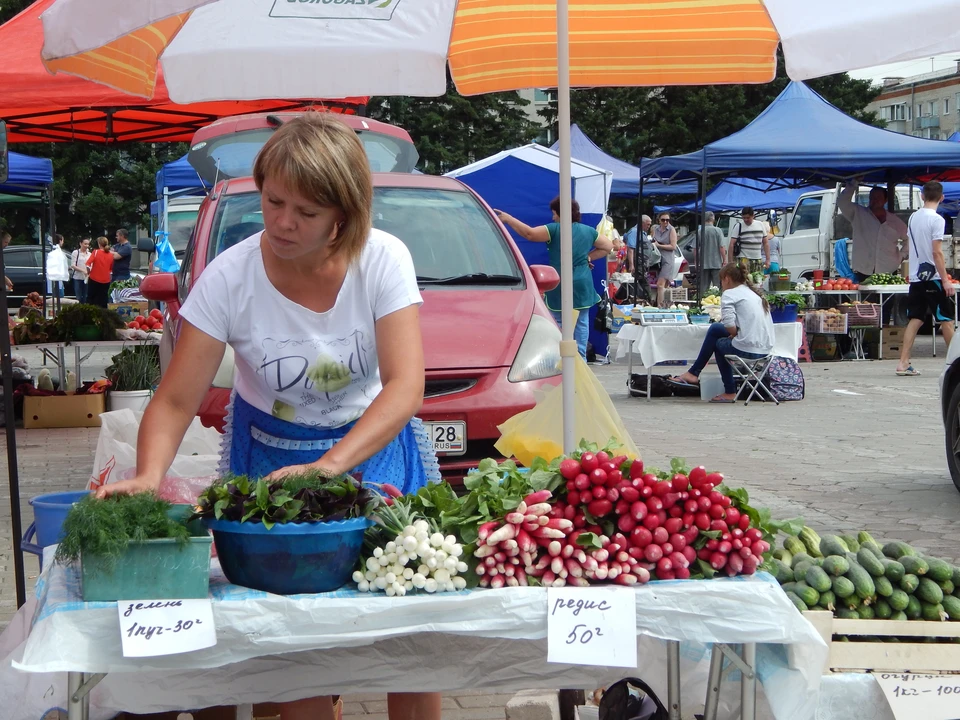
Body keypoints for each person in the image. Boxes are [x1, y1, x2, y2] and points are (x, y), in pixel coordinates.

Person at [95, 113, 440, 720]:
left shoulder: (383, 259)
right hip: (268, 461)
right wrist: (151, 473)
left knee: (407, 637)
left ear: (344, 214)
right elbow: (175, 399)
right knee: (293, 647)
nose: (282, 222)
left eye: (306, 212)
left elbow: (405, 386)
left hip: (375, 454)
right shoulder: (231, 274)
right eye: (273, 200)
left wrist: (331, 465)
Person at [494, 198, 613, 360]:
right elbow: (607, 246)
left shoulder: (555, 229)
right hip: (583, 281)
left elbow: (529, 233)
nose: (553, 217)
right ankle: (580, 360)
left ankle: (558, 359)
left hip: (561, 281)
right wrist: (588, 257)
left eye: (554, 213)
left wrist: (509, 219)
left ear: (561, 213)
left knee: (556, 320)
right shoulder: (588, 231)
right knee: (582, 321)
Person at [666, 263, 775, 403]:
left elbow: (729, 325)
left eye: (721, 280)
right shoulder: (753, 294)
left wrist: (733, 334)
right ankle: (693, 373)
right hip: (765, 350)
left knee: (718, 344)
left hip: (749, 349)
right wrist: (734, 333)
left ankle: (728, 390)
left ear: (727, 279)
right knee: (716, 329)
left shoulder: (730, 294)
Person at [896, 181, 955, 377]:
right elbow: (937, 252)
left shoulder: (913, 217)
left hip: (916, 276)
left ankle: (903, 362)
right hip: (934, 277)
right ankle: (956, 363)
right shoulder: (937, 219)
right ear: (942, 197)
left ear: (922, 196)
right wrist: (945, 280)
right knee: (945, 319)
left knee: (916, 318)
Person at [838, 180, 908, 282]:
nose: (875, 200)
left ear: (885, 200)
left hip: (888, 269)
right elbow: (842, 202)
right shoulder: (857, 213)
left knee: (888, 298)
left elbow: (909, 238)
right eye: (872, 198)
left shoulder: (895, 221)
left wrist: (902, 255)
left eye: (878, 198)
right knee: (865, 298)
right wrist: (852, 185)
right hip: (863, 270)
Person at [728, 207, 771, 276]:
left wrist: (768, 259)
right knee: (743, 281)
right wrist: (730, 262)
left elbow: (765, 243)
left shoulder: (760, 225)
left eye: (748, 218)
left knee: (757, 282)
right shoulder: (739, 226)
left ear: (753, 216)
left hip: (757, 259)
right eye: (744, 218)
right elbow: (731, 244)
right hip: (743, 259)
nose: (746, 220)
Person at [652, 212, 678, 308]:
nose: (665, 222)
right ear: (659, 220)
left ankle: (660, 306)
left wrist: (659, 245)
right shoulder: (656, 229)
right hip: (657, 259)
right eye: (663, 220)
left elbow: (673, 246)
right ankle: (667, 306)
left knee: (660, 284)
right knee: (665, 286)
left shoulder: (671, 230)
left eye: (667, 220)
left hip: (668, 259)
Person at [698, 211, 726, 292]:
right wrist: (724, 260)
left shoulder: (700, 231)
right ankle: (716, 302)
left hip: (704, 264)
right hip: (716, 264)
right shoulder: (718, 231)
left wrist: (697, 262)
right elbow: (721, 247)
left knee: (704, 287)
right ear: (713, 219)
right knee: (717, 287)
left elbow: (695, 248)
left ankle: (702, 302)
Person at [85, 236, 114, 307]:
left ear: (99, 244)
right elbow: (111, 269)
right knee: (103, 299)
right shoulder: (111, 255)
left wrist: (88, 272)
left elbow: (88, 264)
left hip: (94, 278)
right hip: (106, 280)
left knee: (91, 298)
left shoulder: (95, 252)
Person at [70, 238, 92, 303]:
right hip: (77, 277)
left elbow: (91, 265)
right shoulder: (76, 252)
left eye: (88, 244)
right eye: (85, 244)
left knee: (86, 296)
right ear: (80, 243)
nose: (86, 246)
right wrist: (83, 270)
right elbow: (73, 265)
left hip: (87, 278)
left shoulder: (89, 254)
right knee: (78, 296)